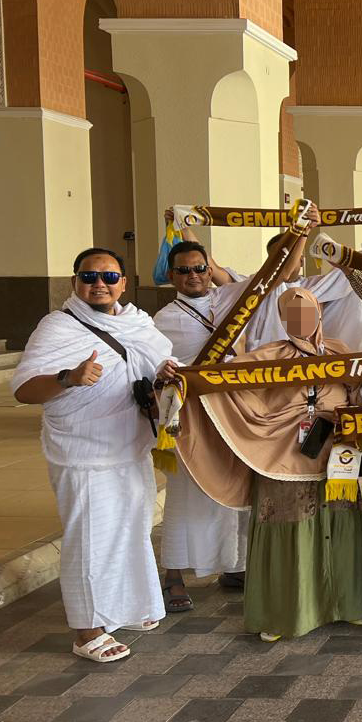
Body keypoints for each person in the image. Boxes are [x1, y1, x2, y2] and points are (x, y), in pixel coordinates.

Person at [177, 288, 362, 641]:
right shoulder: (267, 356)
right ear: (283, 320)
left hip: (334, 454)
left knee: (339, 523)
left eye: (308, 312)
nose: (302, 321)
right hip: (282, 457)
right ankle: (284, 613)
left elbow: (358, 392)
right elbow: (221, 381)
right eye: (292, 315)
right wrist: (182, 377)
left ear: (319, 314)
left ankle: (345, 604)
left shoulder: (340, 351)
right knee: (287, 530)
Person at [12, 247, 177, 662]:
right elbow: (24, 390)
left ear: (123, 283)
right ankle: (87, 631)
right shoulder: (57, 327)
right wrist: (68, 378)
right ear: (75, 282)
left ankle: (128, 608)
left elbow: (157, 369)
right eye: (89, 277)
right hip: (83, 452)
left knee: (130, 531)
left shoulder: (138, 324)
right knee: (89, 540)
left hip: (130, 446)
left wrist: (162, 378)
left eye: (109, 277)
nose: (99, 284)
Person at [152, 238, 252, 610]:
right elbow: (155, 367)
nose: (193, 276)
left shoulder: (230, 302)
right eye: (184, 270)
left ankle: (235, 566)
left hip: (231, 411)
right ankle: (174, 576)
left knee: (234, 487)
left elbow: (278, 278)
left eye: (199, 268)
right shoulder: (163, 320)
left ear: (211, 270)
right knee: (186, 493)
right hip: (190, 415)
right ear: (171, 275)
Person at [241, 207, 362, 353]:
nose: (282, 259)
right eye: (276, 255)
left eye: (288, 254)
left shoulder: (315, 287)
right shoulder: (255, 285)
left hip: (306, 358)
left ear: (301, 260)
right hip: (267, 358)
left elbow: (361, 263)